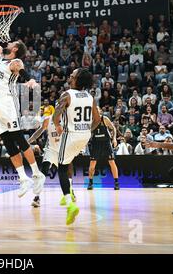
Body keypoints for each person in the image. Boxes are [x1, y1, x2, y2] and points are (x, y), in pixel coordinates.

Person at [0, 4, 46, 198]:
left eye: (12, 42)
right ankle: (23, 179)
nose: (8, 42)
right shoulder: (0, 55)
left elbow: (22, 72)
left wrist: (30, 79)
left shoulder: (15, 62)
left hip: (8, 102)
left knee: (18, 138)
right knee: (7, 143)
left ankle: (36, 173)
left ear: (15, 48)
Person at [53, 68, 101, 225]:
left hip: (71, 135)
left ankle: (70, 203)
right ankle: (70, 192)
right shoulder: (90, 97)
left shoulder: (66, 95)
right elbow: (97, 119)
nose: (70, 77)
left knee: (60, 168)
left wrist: (57, 126)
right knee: (68, 161)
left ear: (77, 80)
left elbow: (55, 116)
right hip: (85, 136)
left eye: (72, 76)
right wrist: (87, 130)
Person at [27, 113, 76, 208]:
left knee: (68, 172)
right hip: (51, 150)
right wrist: (28, 141)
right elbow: (40, 131)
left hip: (63, 149)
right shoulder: (48, 119)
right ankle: (37, 197)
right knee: (43, 171)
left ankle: (70, 191)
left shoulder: (67, 118)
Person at [88, 108, 120, 190]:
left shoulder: (104, 119)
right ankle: (90, 182)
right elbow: (88, 133)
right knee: (92, 163)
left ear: (100, 112)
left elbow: (113, 128)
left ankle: (116, 182)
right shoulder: (91, 121)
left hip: (105, 142)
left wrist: (114, 139)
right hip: (95, 143)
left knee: (112, 162)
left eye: (98, 111)